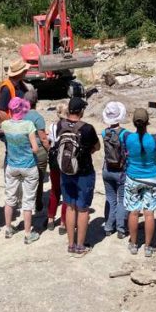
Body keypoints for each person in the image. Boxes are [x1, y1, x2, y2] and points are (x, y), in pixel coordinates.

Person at [122, 104, 156, 257]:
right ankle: (147, 246)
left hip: (132, 177)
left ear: (134, 122)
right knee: (149, 214)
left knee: (133, 212)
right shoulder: (155, 139)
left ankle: (133, 244)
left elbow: (113, 129)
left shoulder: (126, 137)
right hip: (151, 178)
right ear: (147, 122)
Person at [57, 96, 100, 257]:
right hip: (84, 172)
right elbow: (96, 146)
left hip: (65, 170)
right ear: (81, 111)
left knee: (69, 206)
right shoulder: (87, 128)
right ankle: (80, 245)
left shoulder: (59, 124)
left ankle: (70, 244)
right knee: (83, 209)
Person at [1, 97, 41, 244]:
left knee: (10, 197)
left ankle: (8, 228)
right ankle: (27, 233)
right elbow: (35, 149)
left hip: (12, 165)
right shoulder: (28, 125)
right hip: (28, 165)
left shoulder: (5, 125)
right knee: (28, 200)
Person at [101, 101, 128, 239]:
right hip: (121, 170)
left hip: (107, 169)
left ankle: (108, 226)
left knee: (110, 199)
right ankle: (121, 228)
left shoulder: (104, 132)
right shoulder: (125, 134)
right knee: (122, 199)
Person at [23, 87, 49, 217]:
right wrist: (50, 150)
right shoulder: (38, 118)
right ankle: (38, 202)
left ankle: (27, 202)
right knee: (39, 178)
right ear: (36, 102)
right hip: (38, 151)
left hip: (24, 150)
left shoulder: (20, 116)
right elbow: (43, 138)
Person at [47, 102, 68, 232]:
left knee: (54, 190)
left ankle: (50, 218)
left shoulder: (52, 126)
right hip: (65, 159)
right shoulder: (69, 126)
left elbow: (50, 142)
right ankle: (63, 222)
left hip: (54, 159)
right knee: (66, 192)